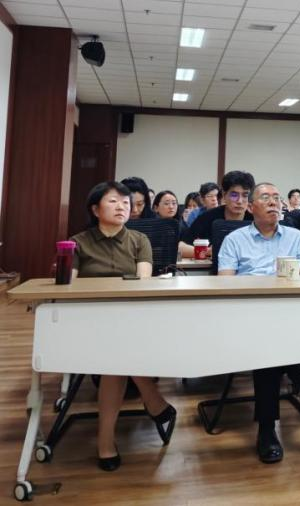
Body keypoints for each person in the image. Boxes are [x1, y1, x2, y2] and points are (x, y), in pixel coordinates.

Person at [70, 181, 176, 471]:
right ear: (95, 209)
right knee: (115, 353)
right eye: (113, 201)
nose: (122, 207)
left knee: (114, 357)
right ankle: (153, 399)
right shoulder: (78, 242)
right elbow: (70, 288)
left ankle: (106, 440)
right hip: (90, 320)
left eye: (126, 203)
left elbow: (142, 285)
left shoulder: (140, 240)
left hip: (131, 318)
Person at [217, 182, 300, 463]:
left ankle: (267, 428)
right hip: (247, 314)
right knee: (267, 342)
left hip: (289, 313)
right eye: (265, 198)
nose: (274, 202)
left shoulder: (296, 237)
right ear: (251, 207)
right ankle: (295, 375)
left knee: (269, 345)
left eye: (277, 198)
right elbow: (224, 284)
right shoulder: (235, 239)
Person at [180, 171, 255, 258]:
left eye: (245, 195)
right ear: (224, 195)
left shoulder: (255, 219)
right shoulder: (207, 218)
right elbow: (181, 247)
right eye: (234, 195)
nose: (239, 201)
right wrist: (208, 251)